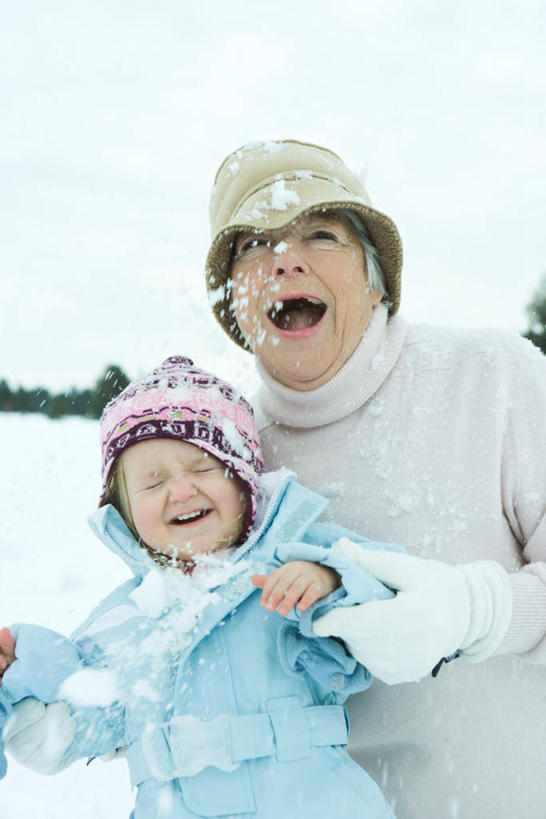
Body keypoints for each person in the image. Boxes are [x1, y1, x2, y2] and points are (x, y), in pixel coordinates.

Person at [204, 140, 546, 817]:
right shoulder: (221, 459)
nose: (284, 258)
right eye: (253, 244)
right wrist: (63, 701)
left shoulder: (493, 377)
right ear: (232, 306)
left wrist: (475, 611)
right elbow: (188, 661)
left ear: (377, 278)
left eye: (321, 233)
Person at [0, 355, 398, 818]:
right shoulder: (127, 618)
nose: (182, 490)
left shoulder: (291, 566)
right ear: (125, 514)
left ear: (245, 480)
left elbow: (395, 606)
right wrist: (23, 681)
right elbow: (85, 714)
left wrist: (331, 583)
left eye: (204, 467)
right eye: (153, 482)